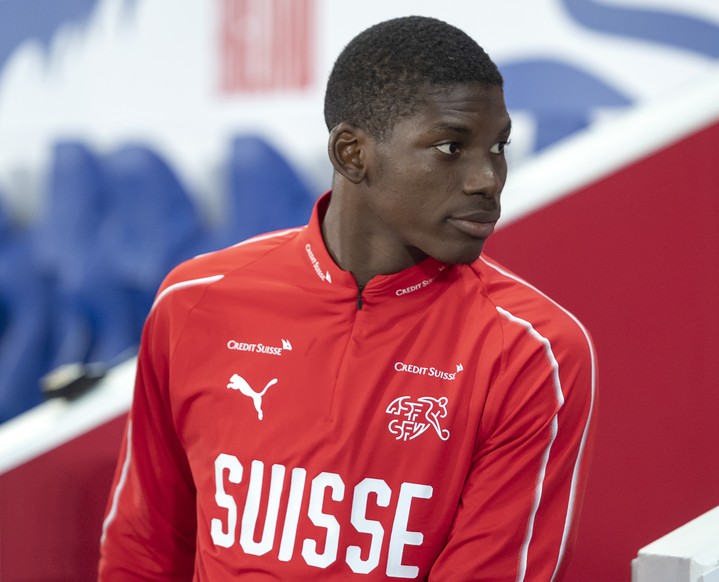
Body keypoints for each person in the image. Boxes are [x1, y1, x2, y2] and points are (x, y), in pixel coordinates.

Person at [98, 15, 597, 581]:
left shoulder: (533, 351)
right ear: (352, 154)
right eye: (452, 146)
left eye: (498, 147)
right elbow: (144, 549)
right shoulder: (194, 301)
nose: (488, 178)